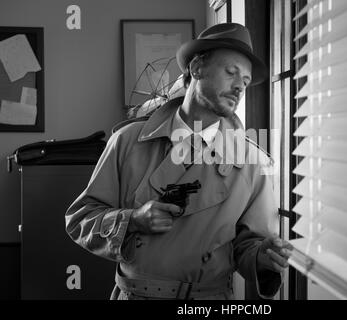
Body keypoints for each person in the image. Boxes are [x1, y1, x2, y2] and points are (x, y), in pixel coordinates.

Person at [65, 23, 293, 300]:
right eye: (230, 73)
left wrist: (263, 259)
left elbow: (248, 246)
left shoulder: (251, 161)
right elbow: (80, 219)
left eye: (244, 81)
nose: (238, 88)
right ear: (196, 68)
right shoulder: (127, 141)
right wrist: (133, 219)